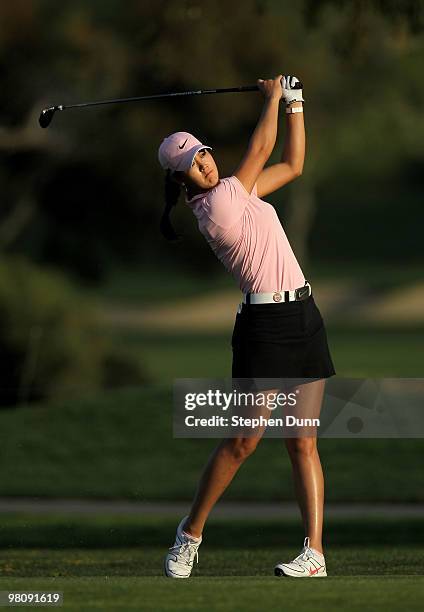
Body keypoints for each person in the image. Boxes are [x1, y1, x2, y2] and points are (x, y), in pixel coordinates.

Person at [157, 75, 336, 579]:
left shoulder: (240, 191)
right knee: (243, 440)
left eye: (205, 153)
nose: (206, 162)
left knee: (303, 441)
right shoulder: (215, 207)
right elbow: (262, 144)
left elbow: (293, 164)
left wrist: (296, 101)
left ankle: (315, 554)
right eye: (194, 162)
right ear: (181, 179)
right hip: (264, 325)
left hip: (303, 314)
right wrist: (273, 96)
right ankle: (189, 536)